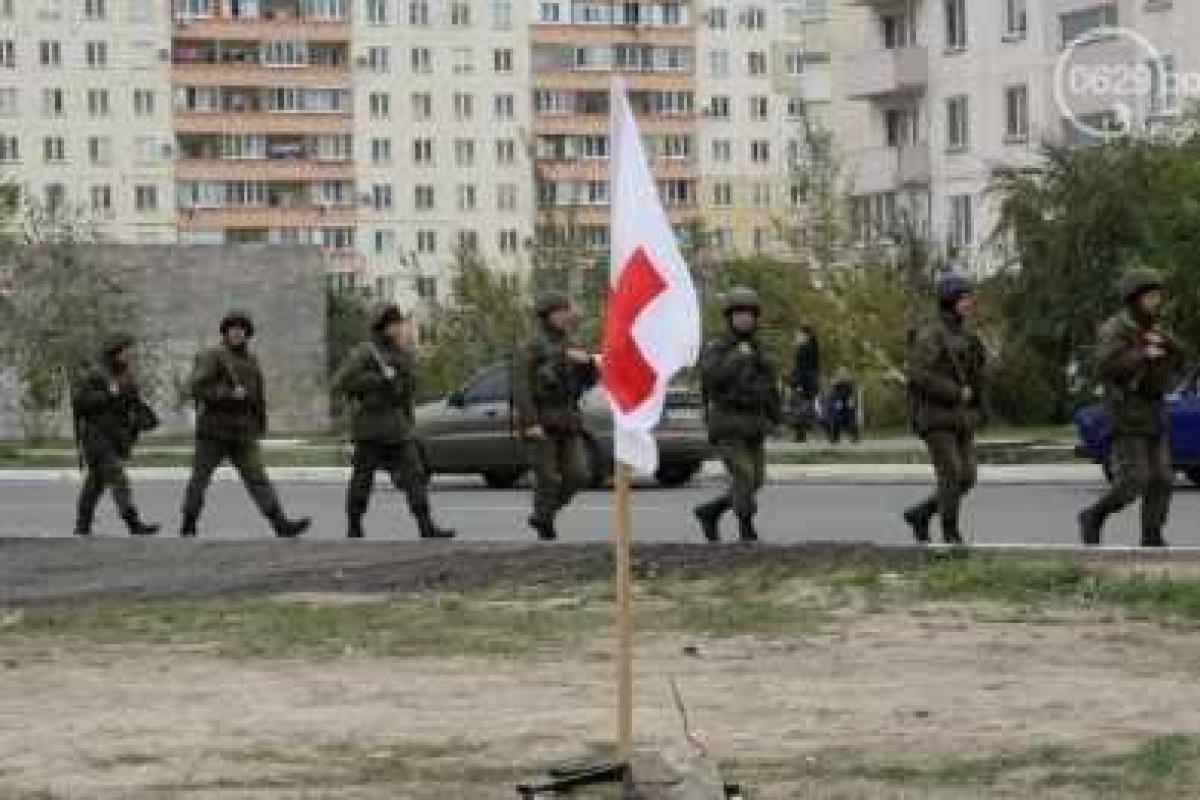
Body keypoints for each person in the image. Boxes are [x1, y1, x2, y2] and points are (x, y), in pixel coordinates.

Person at [179, 311, 311, 538]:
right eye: (232, 329)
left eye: (242, 329)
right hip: (214, 430)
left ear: (247, 334)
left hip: (243, 431)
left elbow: (257, 395)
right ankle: (189, 522)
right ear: (225, 332)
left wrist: (260, 423)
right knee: (200, 479)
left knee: (258, 478)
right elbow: (196, 388)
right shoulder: (212, 355)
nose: (237, 333)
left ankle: (280, 524)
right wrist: (227, 394)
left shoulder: (252, 359)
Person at [1079, 268, 1184, 547]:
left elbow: (1180, 355)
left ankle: (1152, 535)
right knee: (1134, 480)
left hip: (1154, 411)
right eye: (1151, 296)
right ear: (1134, 298)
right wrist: (1142, 353)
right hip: (1126, 413)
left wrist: (1166, 343)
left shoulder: (1155, 328)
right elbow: (1105, 365)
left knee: (1162, 478)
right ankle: (1094, 515)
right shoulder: (1115, 328)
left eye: (1158, 295)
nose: (1157, 301)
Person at [333, 303, 455, 540]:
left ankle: (425, 524)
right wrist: (378, 380)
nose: (400, 329)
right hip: (371, 427)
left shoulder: (402, 354)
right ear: (383, 328)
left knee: (415, 475)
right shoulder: (366, 353)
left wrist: (410, 423)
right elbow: (341, 382)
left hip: (398, 426)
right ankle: (354, 524)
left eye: (400, 324)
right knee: (362, 479)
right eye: (395, 325)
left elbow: (407, 392)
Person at [903, 275, 988, 546]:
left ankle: (922, 513)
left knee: (967, 477)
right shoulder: (931, 334)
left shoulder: (967, 335)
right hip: (935, 416)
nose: (969, 303)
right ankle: (951, 535)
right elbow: (917, 374)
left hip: (961, 418)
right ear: (950, 300)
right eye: (964, 298)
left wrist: (981, 410)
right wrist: (953, 391)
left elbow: (977, 378)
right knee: (951, 473)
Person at [694, 287, 782, 543]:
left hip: (754, 423)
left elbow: (769, 385)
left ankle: (710, 511)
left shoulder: (758, 347)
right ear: (730, 318)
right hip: (727, 423)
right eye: (739, 314)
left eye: (749, 315)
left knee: (756, 481)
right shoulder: (717, 346)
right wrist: (736, 358)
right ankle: (746, 528)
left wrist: (776, 418)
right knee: (744, 476)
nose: (744, 319)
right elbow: (711, 379)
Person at [514, 291, 600, 541]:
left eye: (567, 311)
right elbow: (522, 387)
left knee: (578, 474)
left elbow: (590, 381)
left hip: (568, 420)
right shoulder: (531, 347)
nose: (566, 316)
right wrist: (530, 423)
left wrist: (587, 364)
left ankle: (544, 514)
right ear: (547, 316)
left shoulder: (572, 344)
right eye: (560, 312)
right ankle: (545, 526)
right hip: (542, 419)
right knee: (548, 477)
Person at [71, 335, 160, 537]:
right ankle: (133, 524)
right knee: (118, 477)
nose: (131, 354)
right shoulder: (96, 375)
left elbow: (132, 403)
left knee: (95, 485)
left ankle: (82, 526)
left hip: (117, 438)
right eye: (127, 350)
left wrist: (144, 416)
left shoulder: (127, 375)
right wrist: (108, 394)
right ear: (116, 352)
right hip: (97, 438)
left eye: (131, 350)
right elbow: (81, 404)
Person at [788, 326, 820, 442]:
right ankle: (802, 434)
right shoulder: (813, 347)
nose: (797, 337)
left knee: (799, 408)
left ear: (806, 336)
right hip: (810, 382)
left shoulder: (804, 348)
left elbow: (801, 368)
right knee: (804, 407)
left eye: (799, 335)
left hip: (803, 382)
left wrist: (798, 383)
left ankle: (800, 435)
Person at [824, 368, 860, 444]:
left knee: (848, 420)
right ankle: (835, 437)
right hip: (839, 406)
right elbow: (833, 403)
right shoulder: (835, 390)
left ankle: (852, 436)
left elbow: (850, 403)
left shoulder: (847, 389)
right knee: (836, 419)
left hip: (845, 407)